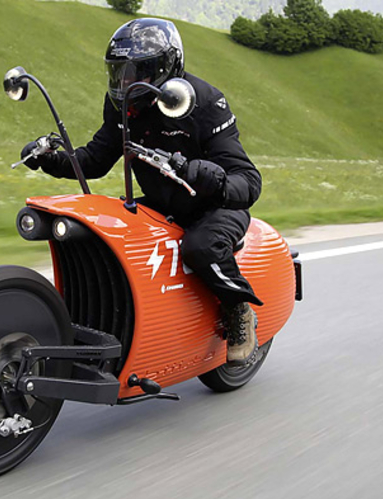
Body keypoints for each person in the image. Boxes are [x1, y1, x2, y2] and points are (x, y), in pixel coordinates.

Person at [21, 18, 263, 366]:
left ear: (164, 69)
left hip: (216, 206)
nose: (125, 84)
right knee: (106, 235)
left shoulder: (206, 103)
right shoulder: (122, 105)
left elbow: (249, 181)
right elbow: (95, 160)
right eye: (119, 73)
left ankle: (238, 309)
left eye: (136, 74)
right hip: (163, 203)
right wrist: (49, 161)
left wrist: (215, 181)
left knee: (201, 246)